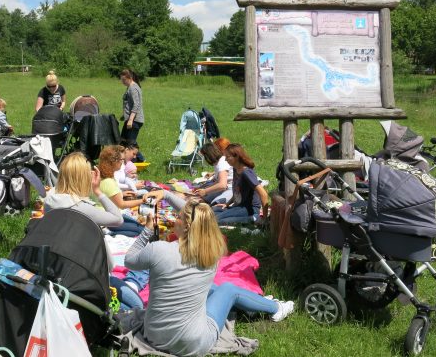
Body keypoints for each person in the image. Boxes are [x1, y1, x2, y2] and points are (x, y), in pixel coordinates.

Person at [125, 193, 294, 356]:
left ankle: (268, 307)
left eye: (178, 216)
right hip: (191, 344)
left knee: (217, 288)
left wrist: (147, 230)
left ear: (186, 226)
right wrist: (166, 195)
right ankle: (273, 307)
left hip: (154, 336)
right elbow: (202, 218)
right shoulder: (212, 254)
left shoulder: (158, 249)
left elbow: (129, 260)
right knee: (227, 289)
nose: (173, 218)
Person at [43, 152, 145, 310]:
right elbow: (118, 219)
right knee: (136, 306)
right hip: (89, 275)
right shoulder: (81, 208)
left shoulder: (50, 201)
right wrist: (98, 191)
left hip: (60, 269)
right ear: (83, 178)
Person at [98, 145, 161, 237]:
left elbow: (106, 194)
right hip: (108, 218)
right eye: (122, 160)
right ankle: (108, 233)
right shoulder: (108, 181)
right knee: (145, 231)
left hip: (108, 214)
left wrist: (121, 194)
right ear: (113, 161)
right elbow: (122, 205)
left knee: (139, 229)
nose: (123, 163)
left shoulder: (103, 175)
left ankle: (111, 232)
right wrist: (144, 200)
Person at [212, 144, 269, 226]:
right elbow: (237, 191)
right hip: (238, 206)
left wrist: (265, 218)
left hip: (249, 208)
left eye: (227, 157)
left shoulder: (246, 173)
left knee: (216, 220)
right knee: (212, 211)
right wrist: (227, 204)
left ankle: (254, 218)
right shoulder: (235, 169)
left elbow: (263, 194)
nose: (225, 159)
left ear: (236, 157)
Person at [119, 69, 145, 161]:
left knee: (130, 144)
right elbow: (129, 103)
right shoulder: (130, 87)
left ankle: (140, 160)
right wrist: (124, 115)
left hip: (134, 121)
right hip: (130, 119)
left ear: (129, 78)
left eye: (124, 80)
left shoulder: (133, 88)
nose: (122, 82)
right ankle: (126, 161)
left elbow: (136, 104)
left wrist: (130, 119)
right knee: (123, 142)